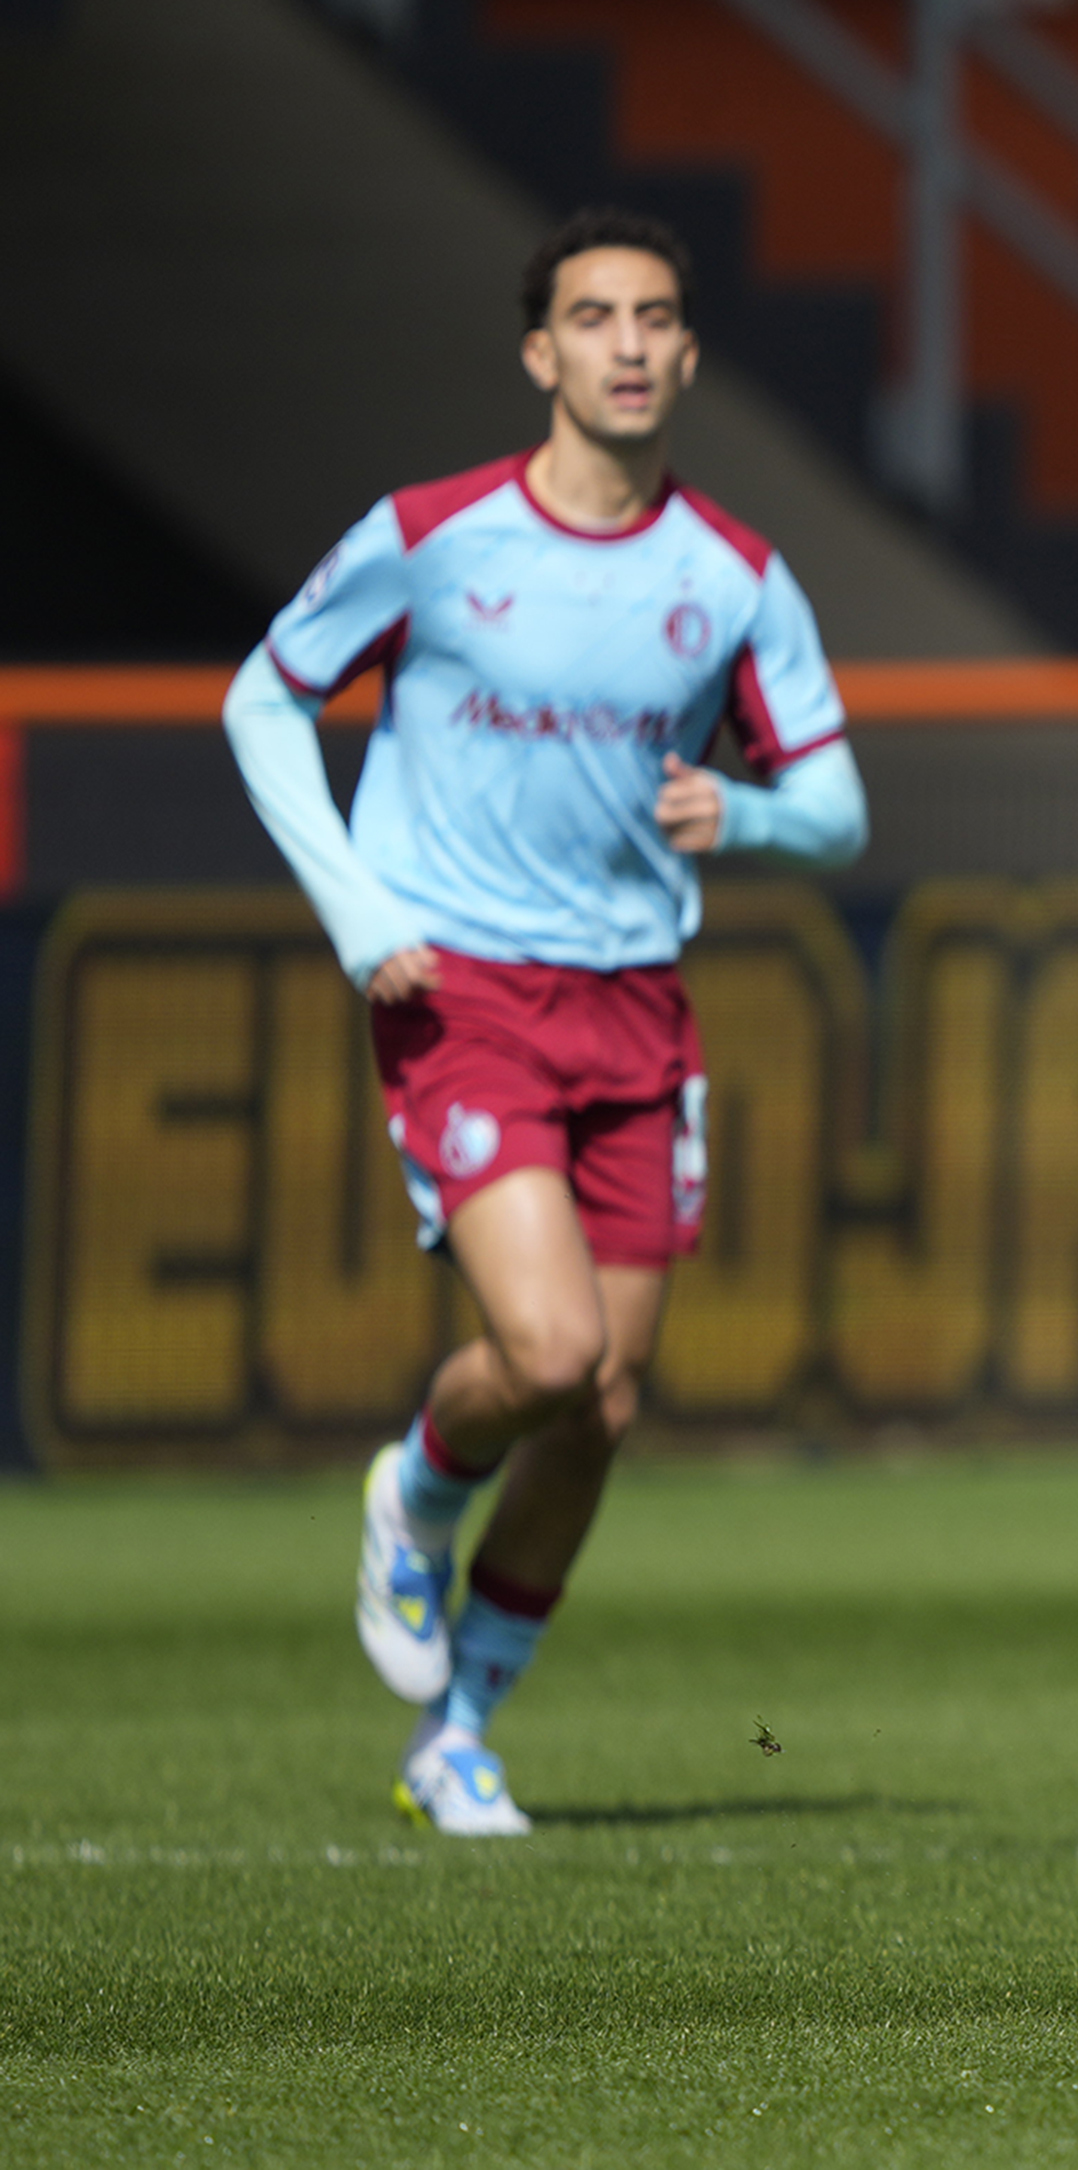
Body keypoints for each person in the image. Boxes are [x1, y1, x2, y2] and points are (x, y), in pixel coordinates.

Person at [223, 207, 870, 1837]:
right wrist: (362, 912)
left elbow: (839, 805)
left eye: (655, 316)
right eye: (595, 317)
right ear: (541, 353)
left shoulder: (727, 576)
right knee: (551, 1346)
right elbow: (262, 695)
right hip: (460, 988)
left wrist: (753, 814)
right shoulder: (435, 534)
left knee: (604, 1402)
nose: (629, 343)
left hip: (636, 1006)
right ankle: (418, 1486)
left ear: (690, 351)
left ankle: (463, 1730)